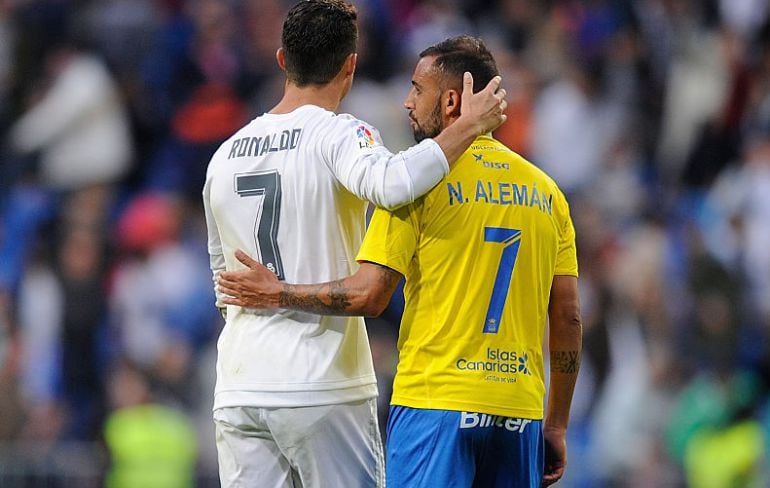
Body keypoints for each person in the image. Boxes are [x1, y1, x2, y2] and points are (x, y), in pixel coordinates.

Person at [217, 36, 582, 487]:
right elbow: (567, 316)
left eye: (417, 89)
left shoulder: (415, 180)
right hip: (519, 409)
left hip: (434, 402)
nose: (407, 102)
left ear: (451, 101)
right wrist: (557, 424)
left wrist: (279, 292)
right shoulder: (547, 193)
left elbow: (368, 293)